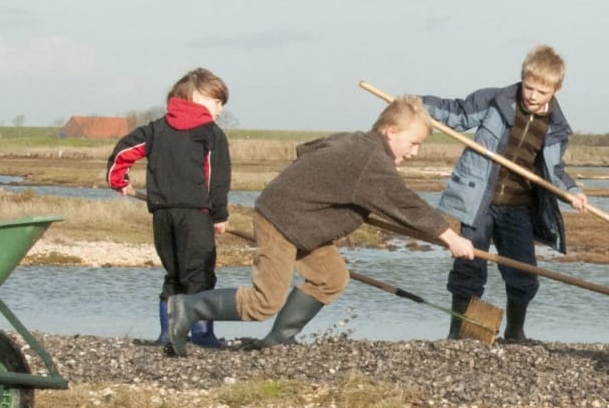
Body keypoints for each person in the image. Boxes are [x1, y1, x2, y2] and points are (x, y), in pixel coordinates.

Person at [164, 95, 476, 356]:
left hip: (305, 225)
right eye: (414, 143)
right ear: (391, 131)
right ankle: (188, 308)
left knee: (331, 277)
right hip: (282, 219)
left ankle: (278, 340)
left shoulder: (357, 141)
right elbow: (408, 204)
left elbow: (308, 149)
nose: (415, 152)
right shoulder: (371, 160)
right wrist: (451, 238)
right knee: (264, 302)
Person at [422, 45, 587, 343]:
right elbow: (456, 113)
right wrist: (415, 105)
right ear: (522, 79)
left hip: (518, 207)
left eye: (541, 91)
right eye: (529, 87)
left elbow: (555, 170)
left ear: (556, 89)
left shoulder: (557, 127)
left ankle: (515, 333)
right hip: (479, 202)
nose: (532, 96)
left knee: (523, 271)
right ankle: (457, 334)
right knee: (468, 265)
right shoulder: (494, 101)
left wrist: (572, 192)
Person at [106, 68, 233, 349]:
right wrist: (219, 214)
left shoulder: (155, 129)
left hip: (162, 213)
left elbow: (123, 152)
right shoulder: (211, 134)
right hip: (196, 214)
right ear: (198, 97)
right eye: (217, 102)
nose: (220, 110)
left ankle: (168, 334)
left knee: (174, 274)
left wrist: (118, 181)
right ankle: (201, 335)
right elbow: (217, 178)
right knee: (199, 274)